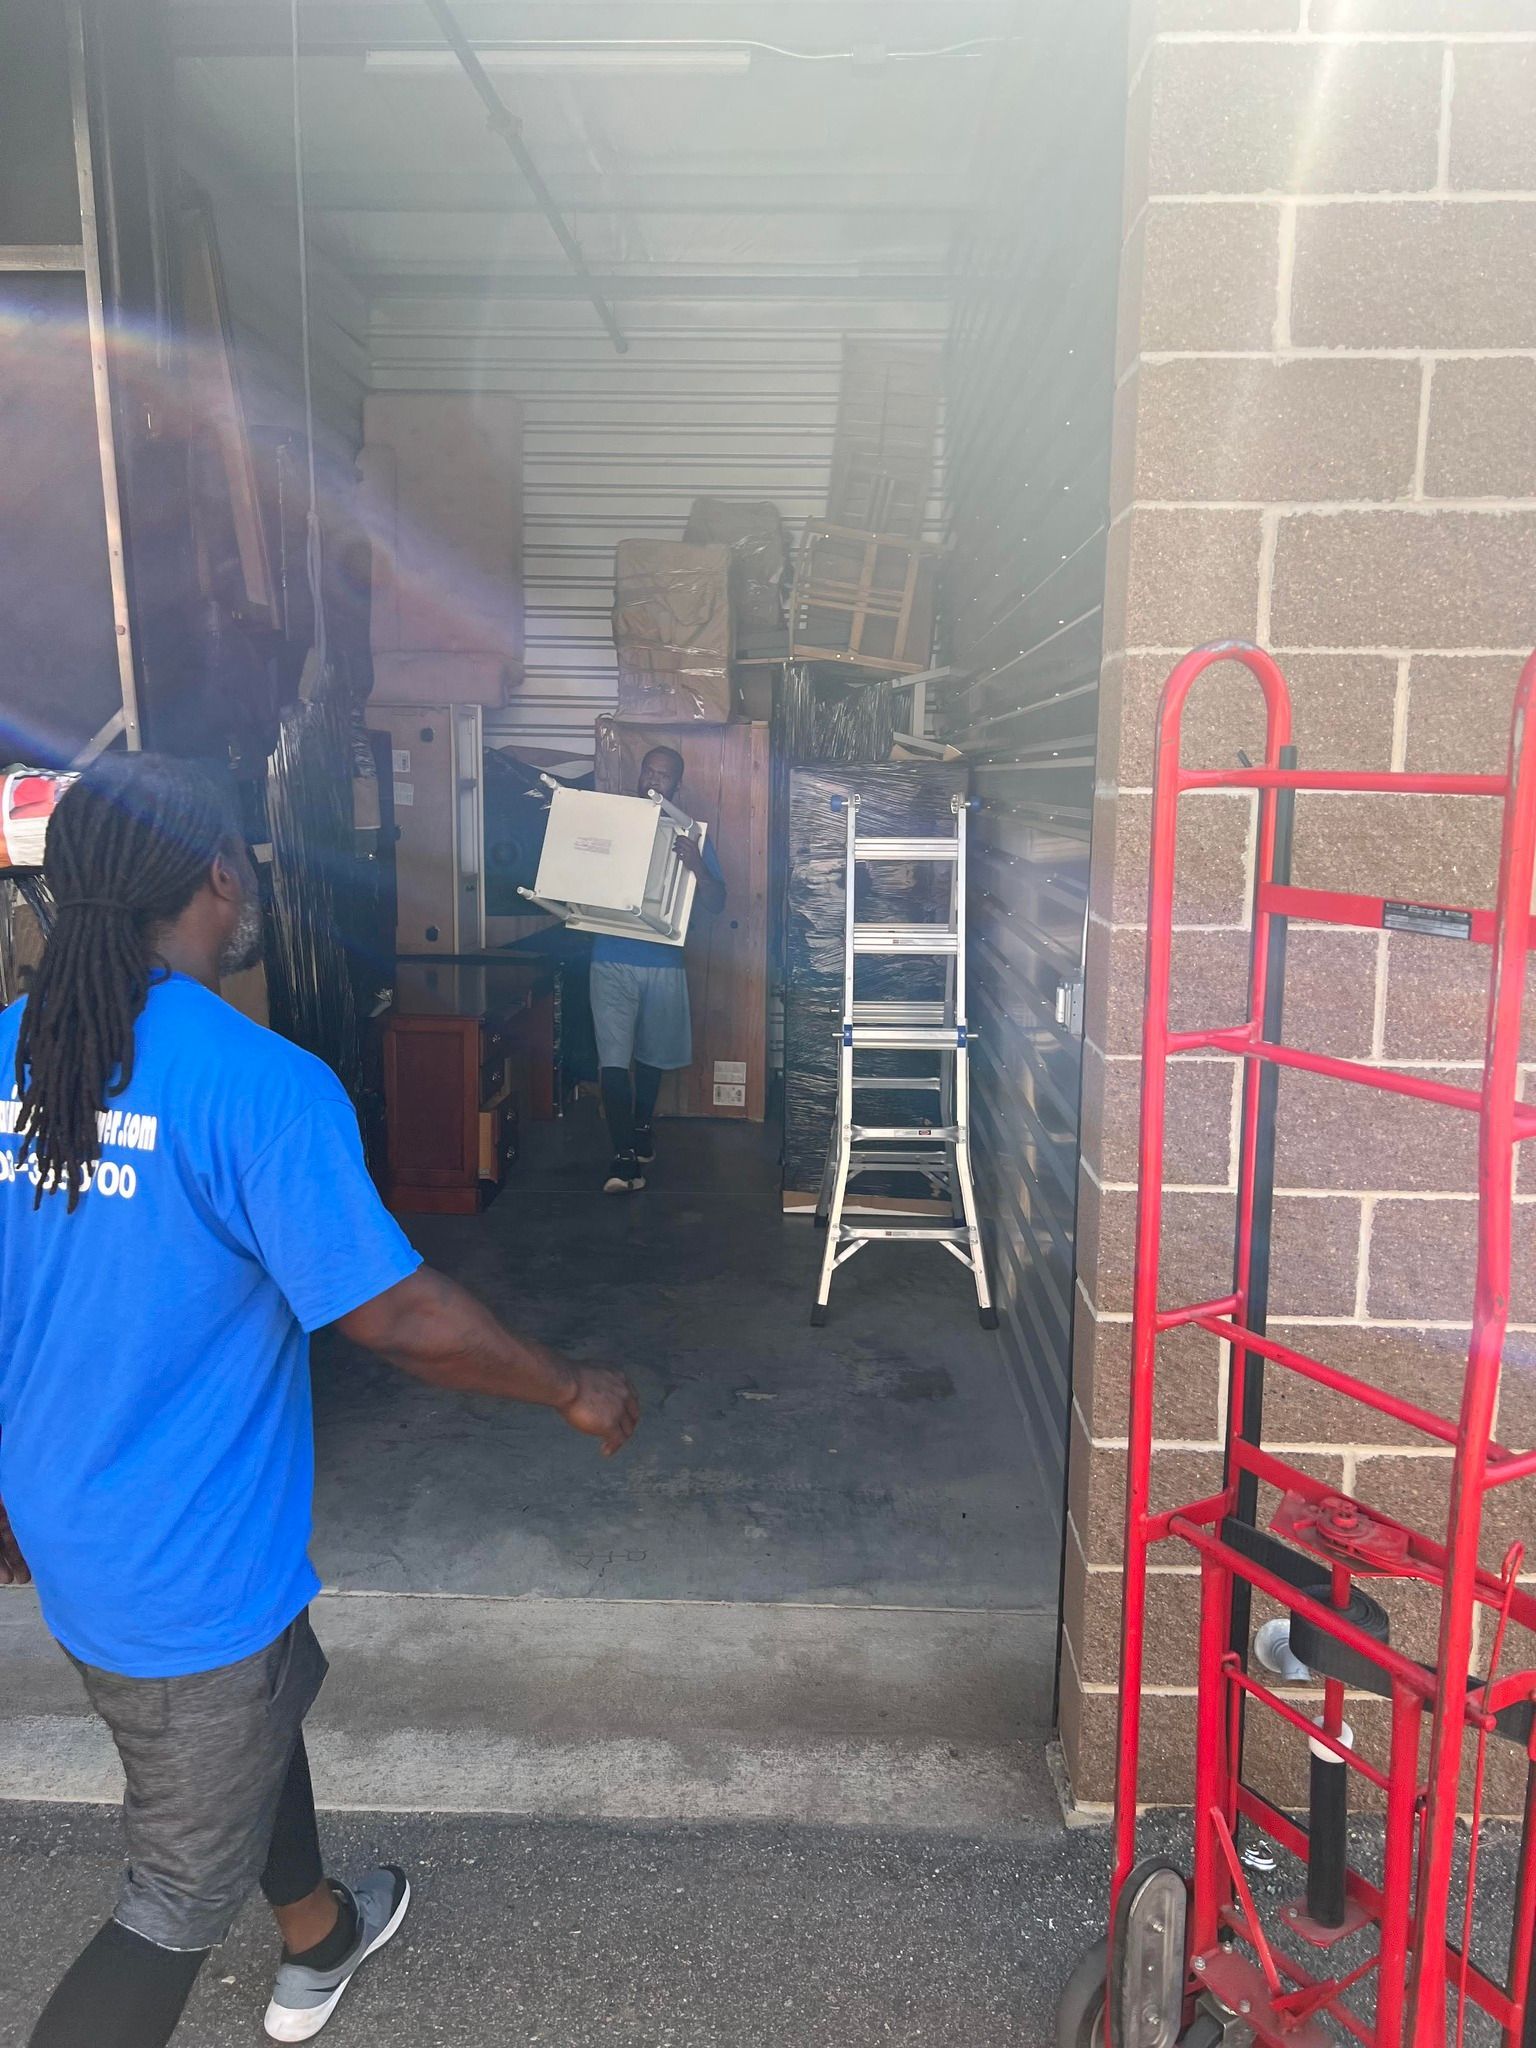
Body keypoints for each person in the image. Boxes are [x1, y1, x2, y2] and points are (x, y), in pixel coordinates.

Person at [0, 754, 639, 2048]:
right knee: (169, 1899)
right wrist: (570, 1388)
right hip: (184, 1563)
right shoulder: (260, 1082)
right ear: (221, 877)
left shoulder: (19, 1053)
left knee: (263, 1706)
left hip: (74, 1523)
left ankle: (319, 1936)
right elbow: (393, 1314)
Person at [588, 744, 724, 1195]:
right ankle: (623, 1158)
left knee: (650, 1057)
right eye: (648, 769)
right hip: (609, 955)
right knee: (612, 1056)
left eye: (664, 775)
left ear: (677, 785)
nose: (653, 779)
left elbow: (717, 902)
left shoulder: (691, 834)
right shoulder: (612, 820)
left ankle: (641, 1127)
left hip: (663, 958)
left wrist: (698, 866)